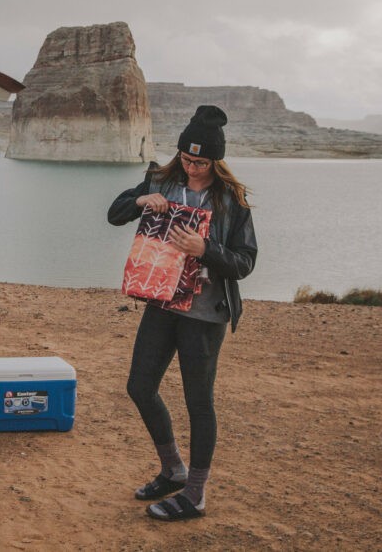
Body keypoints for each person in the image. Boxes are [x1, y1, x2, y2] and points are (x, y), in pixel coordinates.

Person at [107, 105, 257, 522]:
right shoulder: (162, 180)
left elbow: (245, 261)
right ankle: (173, 469)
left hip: (205, 315)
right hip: (161, 302)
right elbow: (114, 214)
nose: (192, 168)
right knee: (139, 386)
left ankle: (195, 494)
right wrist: (140, 200)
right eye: (188, 159)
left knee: (198, 401)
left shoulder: (231, 200)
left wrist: (205, 249)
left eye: (201, 162)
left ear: (215, 161)